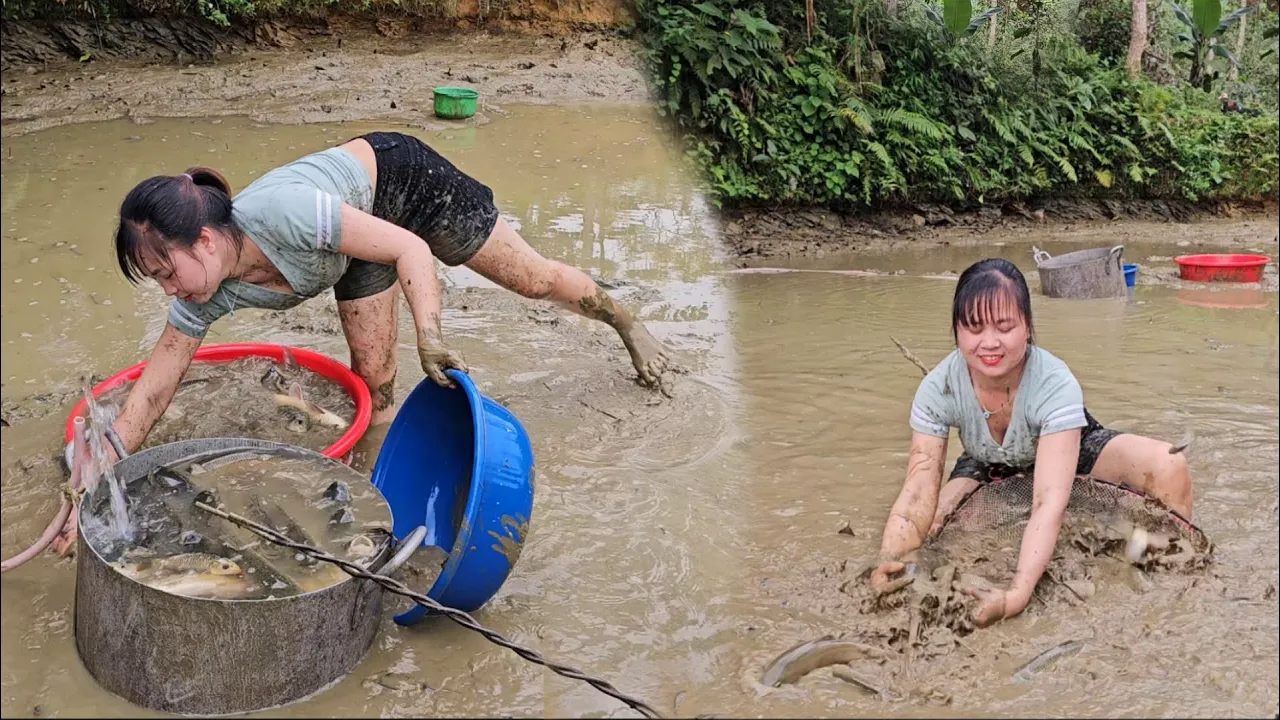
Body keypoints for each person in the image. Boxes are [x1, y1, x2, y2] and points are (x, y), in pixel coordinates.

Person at [867, 258, 1192, 628]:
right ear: (956, 331)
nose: (989, 342)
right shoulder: (938, 388)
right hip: (988, 461)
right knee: (937, 525)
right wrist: (889, 560)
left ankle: (1170, 565)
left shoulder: (1055, 383)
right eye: (974, 328)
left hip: (1066, 448)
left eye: (1005, 326)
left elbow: (1047, 502)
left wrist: (1017, 594)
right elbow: (917, 490)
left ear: (1027, 328)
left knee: (1169, 465)